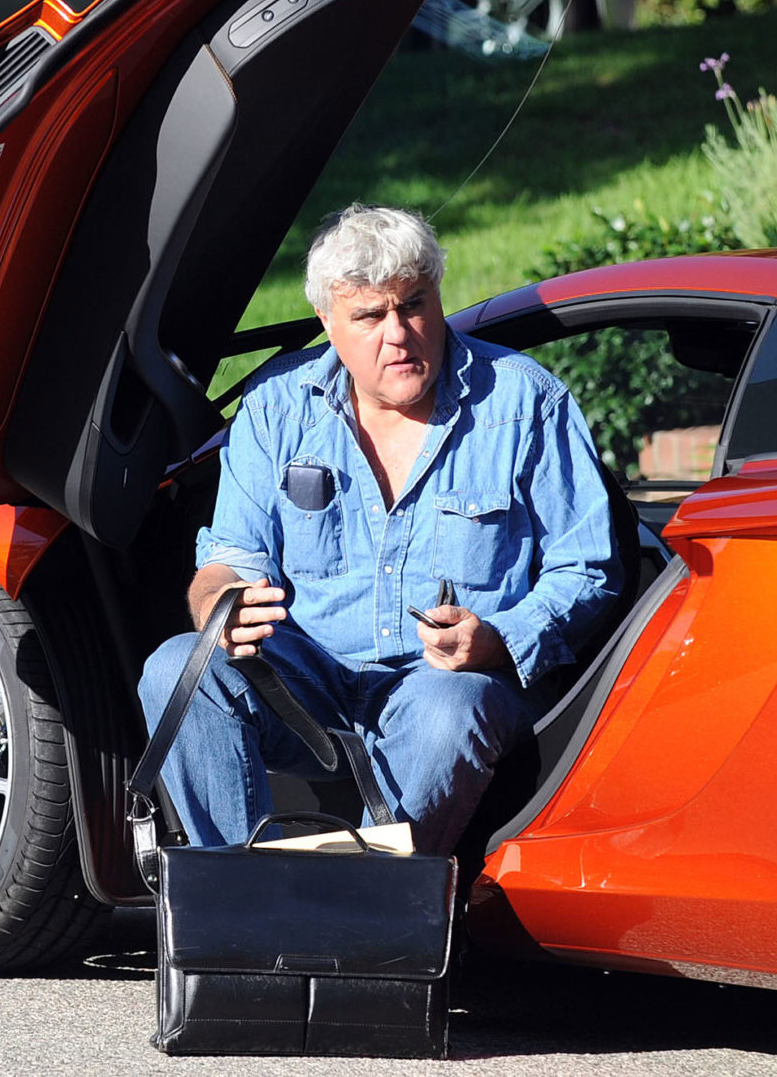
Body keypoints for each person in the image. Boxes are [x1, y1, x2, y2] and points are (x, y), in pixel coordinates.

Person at [138, 204, 621, 856]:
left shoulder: (524, 401)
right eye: (370, 315)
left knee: (453, 709)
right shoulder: (277, 407)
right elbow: (230, 557)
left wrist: (501, 639)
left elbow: (588, 567)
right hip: (307, 687)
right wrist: (220, 605)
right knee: (175, 668)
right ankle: (237, 893)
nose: (399, 332)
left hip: (444, 689)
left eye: (414, 305)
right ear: (328, 324)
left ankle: (370, 903)